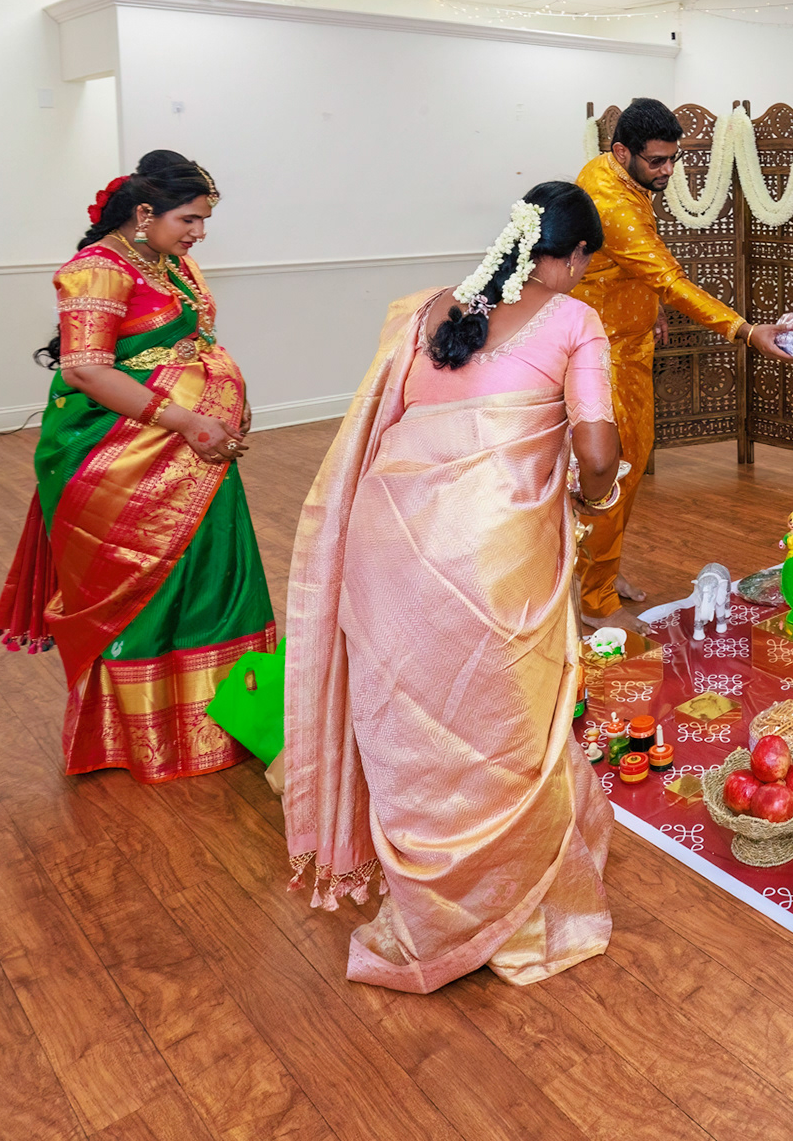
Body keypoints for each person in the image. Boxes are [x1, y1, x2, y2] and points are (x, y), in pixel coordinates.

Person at [284, 182, 622, 992]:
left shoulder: (429, 310)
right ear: (574, 255)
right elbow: (597, 450)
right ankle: (503, 912)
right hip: (488, 555)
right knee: (503, 726)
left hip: (387, 541)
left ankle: (422, 903)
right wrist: (595, 496)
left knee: (409, 723)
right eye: (584, 263)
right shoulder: (574, 319)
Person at [0, 151, 274, 783]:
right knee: (149, 588)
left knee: (209, 579)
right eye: (189, 219)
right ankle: (144, 736)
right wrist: (189, 421)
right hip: (127, 456)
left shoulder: (172, 264)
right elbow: (86, 371)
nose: (199, 232)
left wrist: (229, 398)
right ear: (145, 213)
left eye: (204, 220)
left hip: (198, 456)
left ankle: (225, 723)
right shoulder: (97, 270)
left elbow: (198, 343)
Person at [573, 97, 790, 629]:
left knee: (631, 462)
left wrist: (651, 308)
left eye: (674, 159)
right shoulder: (610, 199)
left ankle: (598, 573)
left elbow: (633, 265)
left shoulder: (616, 175)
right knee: (612, 470)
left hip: (630, 341)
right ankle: (595, 601)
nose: (668, 171)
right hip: (603, 356)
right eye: (657, 161)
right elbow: (667, 277)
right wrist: (744, 330)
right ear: (621, 152)